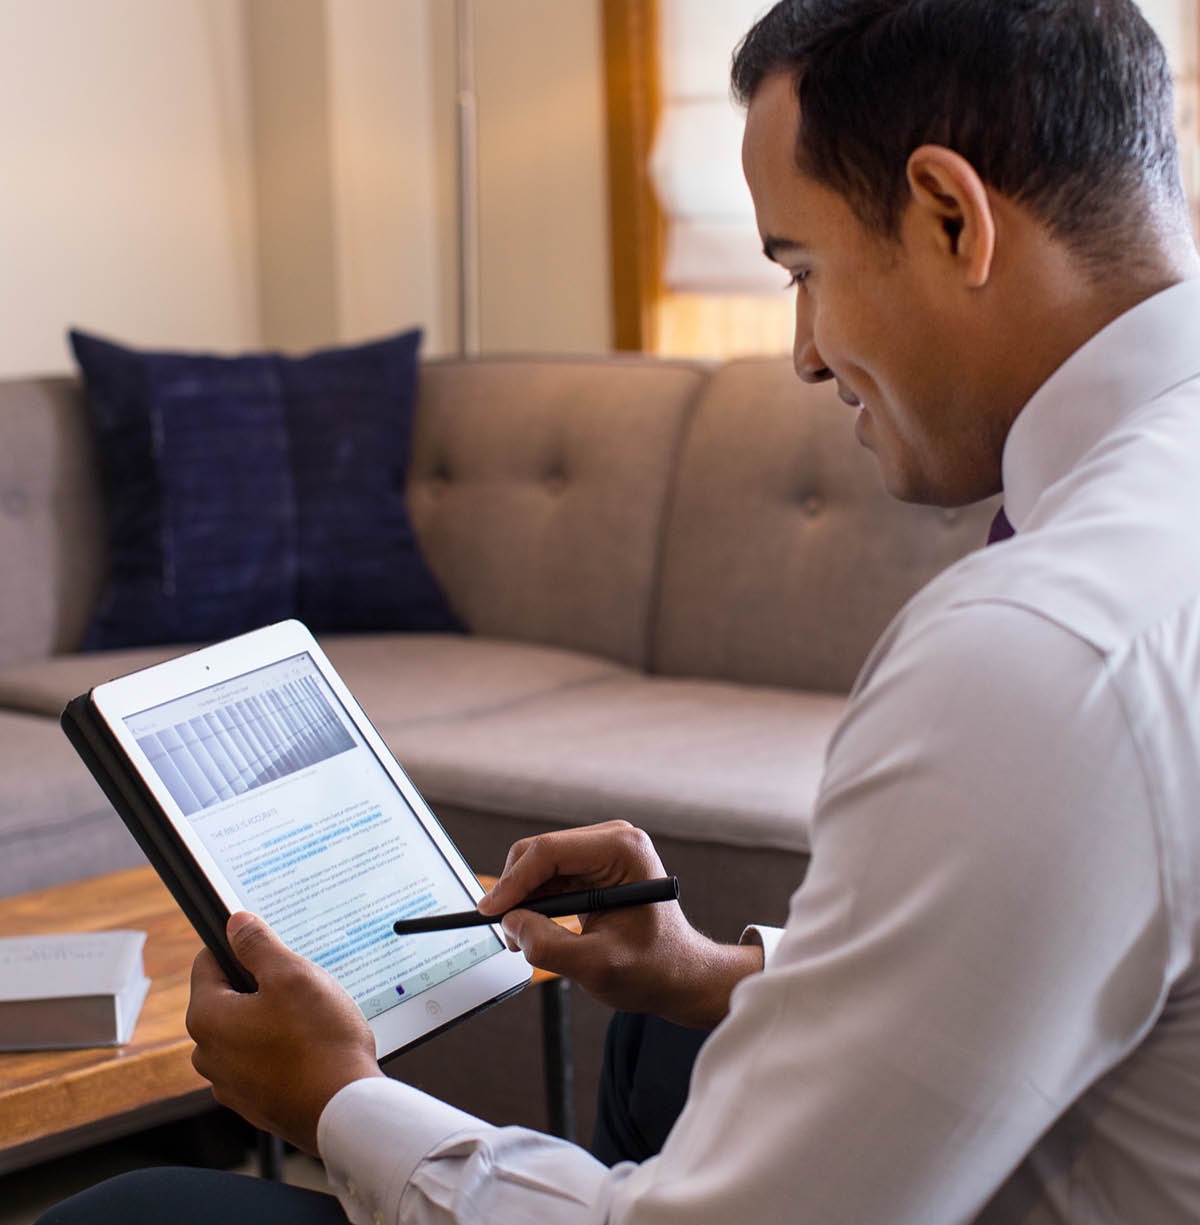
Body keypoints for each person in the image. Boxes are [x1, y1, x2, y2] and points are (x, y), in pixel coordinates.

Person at [38, 0, 1200, 1221]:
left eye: (802, 269)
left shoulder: (1038, 653)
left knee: (142, 1210)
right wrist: (716, 970)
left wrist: (336, 1099)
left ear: (950, 216)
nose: (805, 354)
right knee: (670, 1033)